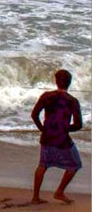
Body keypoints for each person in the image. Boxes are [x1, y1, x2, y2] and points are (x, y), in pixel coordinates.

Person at [30, 69, 83, 204]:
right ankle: (59, 192)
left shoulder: (47, 96)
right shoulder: (72, 101)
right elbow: (78, 125)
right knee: (75, 165)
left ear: (56, 81)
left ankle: (35, 197)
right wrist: (65, 128)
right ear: (69, 83)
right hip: (62, 139)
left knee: (42, 165)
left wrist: (42, 128)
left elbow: (34, 115)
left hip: (47, 136)